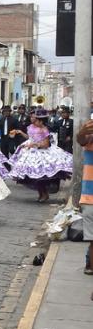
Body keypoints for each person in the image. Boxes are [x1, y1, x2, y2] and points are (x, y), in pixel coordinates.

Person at [9, 109, 73, 203]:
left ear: (41, 121)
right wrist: (25, 140)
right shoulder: (31, 127)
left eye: (37, 119)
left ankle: (44, 194)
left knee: (40, 177)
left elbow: (46, 144)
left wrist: (34, 145)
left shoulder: (44, 130)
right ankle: (41, 194)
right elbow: (30, 138)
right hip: (32, 153)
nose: (34, 120)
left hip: (42, 154)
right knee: (34, 176)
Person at [75, 119, 93, 290]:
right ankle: (89, 263)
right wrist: (81, 131)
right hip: (90, 197)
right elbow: (81, 139)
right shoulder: (90, 132)